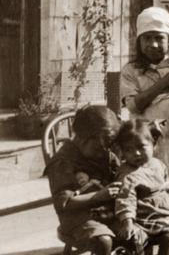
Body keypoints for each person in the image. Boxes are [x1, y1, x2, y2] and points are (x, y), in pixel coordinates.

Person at [120, 7, 169, 210]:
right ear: (139, 42)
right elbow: (133, 105)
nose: (153, 44)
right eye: (147, 38)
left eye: (159, 38)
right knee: (151, 197)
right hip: (148, 144)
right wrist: (161, 84)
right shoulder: (131, 72)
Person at [44, 106, 122, 255]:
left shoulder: (105, 155)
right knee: (103, 240)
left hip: (105, 212)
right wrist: (99, 196)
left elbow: (120, 174)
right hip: (77, 218)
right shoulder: (63, 162)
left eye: (108, 145)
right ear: (82, 138)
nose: (105, 151)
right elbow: (64, 204)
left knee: (146, 225)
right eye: (100, 147)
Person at [114, 119, 169, 255]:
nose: (136, 153)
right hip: (145, 217)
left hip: (164, 213)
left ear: (153, 144)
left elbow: (168, 188)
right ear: (123, 152)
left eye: (141, 147)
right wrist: (128, 221)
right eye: (128, 150)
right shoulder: (127, 173)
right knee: (168, 238)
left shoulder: (158, 165)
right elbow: (125, 198)